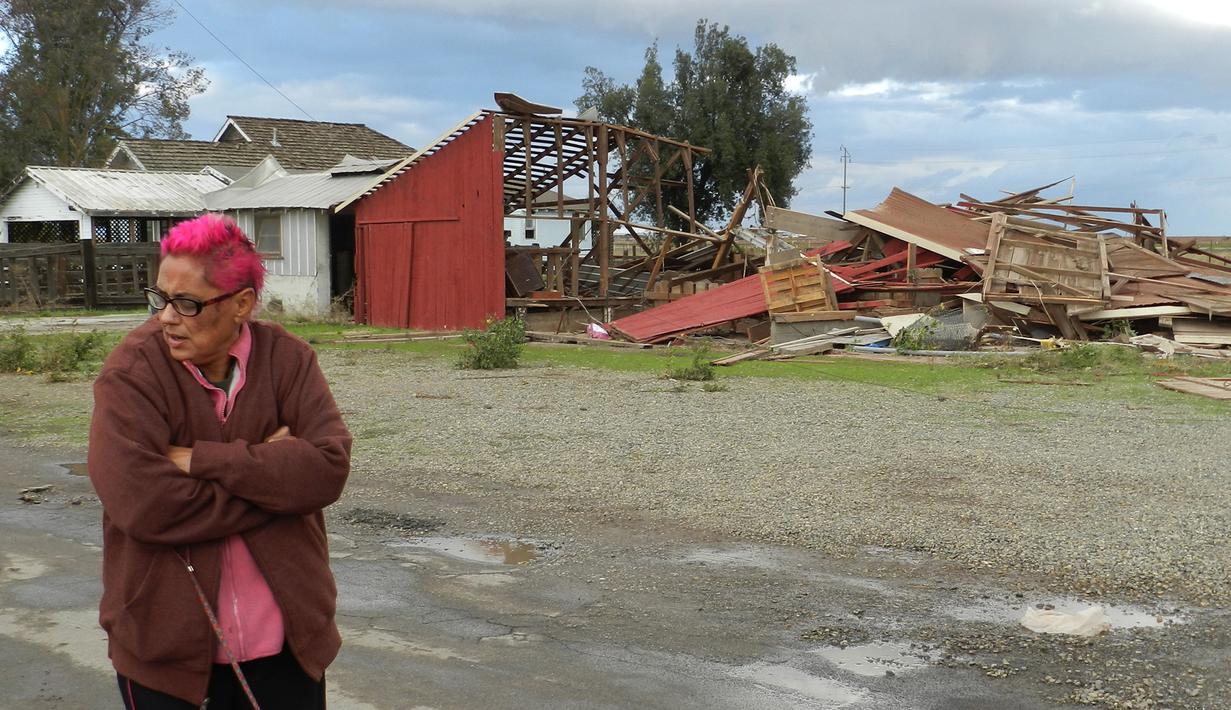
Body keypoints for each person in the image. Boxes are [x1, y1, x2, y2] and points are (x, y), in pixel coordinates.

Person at [87, 214, 352, 709]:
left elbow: (327, 471)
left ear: (241, 305)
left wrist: (204, 460)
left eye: (187, 303)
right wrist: (272, 483)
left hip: (288, 649)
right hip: (165, 655)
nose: (166, 318)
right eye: (160, 298)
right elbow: (144, 505)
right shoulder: (131, 373)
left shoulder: (289, 360)